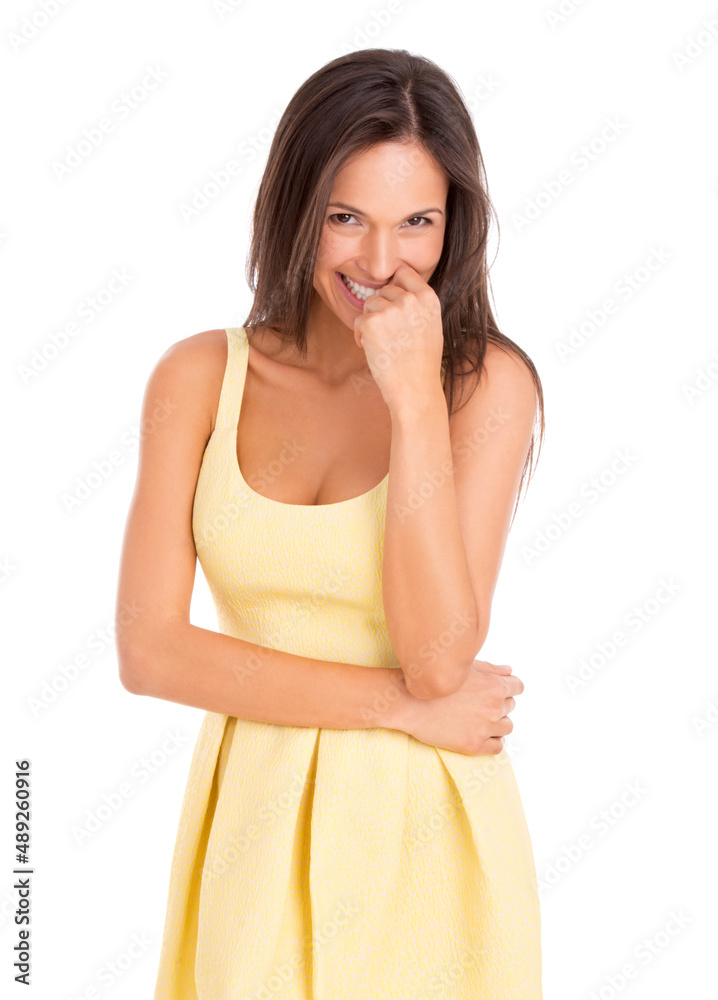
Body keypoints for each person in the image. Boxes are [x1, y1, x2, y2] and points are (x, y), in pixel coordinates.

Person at [116, 47, 545, 1000]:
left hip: (422, 830)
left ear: (453, 225)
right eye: (347, 219)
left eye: (417, 223)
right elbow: (149, 653)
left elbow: (440, 658)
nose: (382, 263)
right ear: (294, 207)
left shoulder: (484, 386)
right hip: (250, 823)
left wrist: (414, 404)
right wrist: (397, 706)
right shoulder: (198, 378)